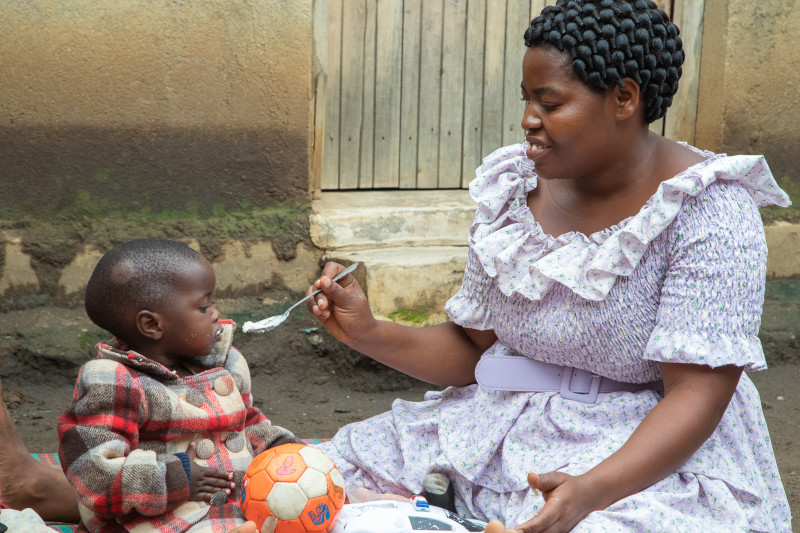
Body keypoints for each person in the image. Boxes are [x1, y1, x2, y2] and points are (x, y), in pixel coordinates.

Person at [306, 0, 792, 532]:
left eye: (550, 102)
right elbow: (475, 352)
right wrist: (368, 332)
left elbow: (696, 393)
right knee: (313, 482)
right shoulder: (514, 188)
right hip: (494, 427)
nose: (528, 120)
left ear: (624, 98)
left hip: (643, 456)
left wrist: (590, 492)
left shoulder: (707, 209)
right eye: (527, 100)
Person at [55, 238, 295, 532]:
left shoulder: (224, 364)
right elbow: (92, 472)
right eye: (204, 306)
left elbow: (247, 423)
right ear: (153, 325)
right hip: (161, 520)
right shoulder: (116, 381)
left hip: (236, 509)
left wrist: (281, 450)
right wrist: (175, 476)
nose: (216, 313)